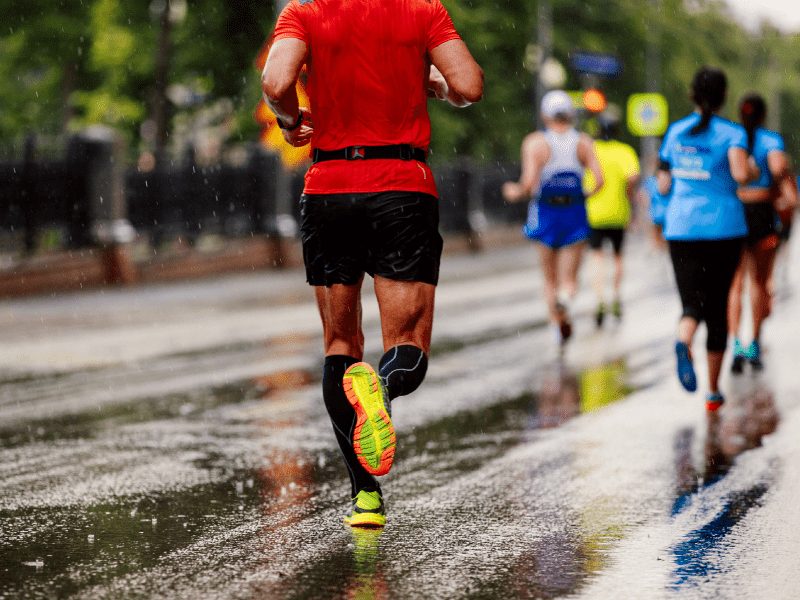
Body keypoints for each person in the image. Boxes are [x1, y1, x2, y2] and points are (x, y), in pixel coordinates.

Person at [261, 0, 483, 528]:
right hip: (401, 188)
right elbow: (470, 86)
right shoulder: (422, 11)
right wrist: (436, 82)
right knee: (408, 346)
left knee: (340, 345)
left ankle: (365, 497)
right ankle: (380, 391)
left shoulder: (305, 11)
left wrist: (291, 119)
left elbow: (275, 82)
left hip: (330, 188)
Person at [657, 67, 760, 412]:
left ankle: (682, 339)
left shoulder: (675, 131)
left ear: (691, 94)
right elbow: (741, 175)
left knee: (691, 303)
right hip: (723, 228)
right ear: (723, 97)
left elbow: (663, 184)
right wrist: (754, 169)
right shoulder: (731, 133)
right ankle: (713, 394)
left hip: (681, 227)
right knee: (717, 308)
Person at [502, 90, 604, 345]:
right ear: (570, 114)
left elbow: (527, 184)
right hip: (574, 212)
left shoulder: (535, 143)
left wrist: (513, 191)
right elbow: (599, 180)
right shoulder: (583, 142)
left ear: (544, 114)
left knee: (550, 278)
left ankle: (555, 325)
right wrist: (583, 194)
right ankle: (566, 300)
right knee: (569, 278)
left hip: (545, 212)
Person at [728, 94, 799, 373]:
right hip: (761, 213)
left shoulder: (732, 137)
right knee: (759, 282)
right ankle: (754, 343)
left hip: (734, 212)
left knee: (735, 285)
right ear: (763, 115)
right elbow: (779, 168)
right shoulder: (771, 140)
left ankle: (734, 342)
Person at [583, 109, 640, 326]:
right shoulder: (625, 152)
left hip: (594, 212)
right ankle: (616, 297)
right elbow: (632, 178)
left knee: (597, 256)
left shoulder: (592, 150)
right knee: (617, 256)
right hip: (618, 212)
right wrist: (629, 200)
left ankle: (599, 299)